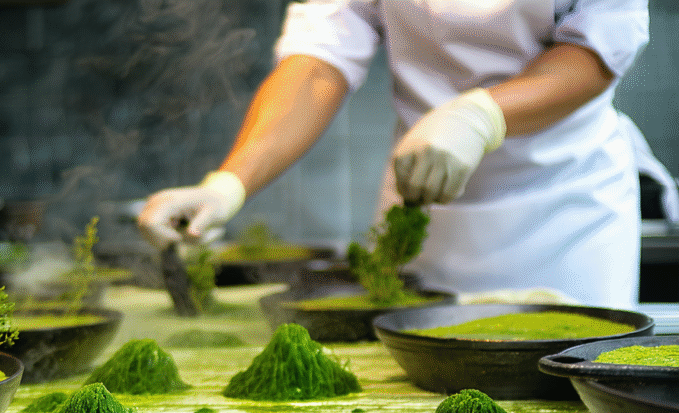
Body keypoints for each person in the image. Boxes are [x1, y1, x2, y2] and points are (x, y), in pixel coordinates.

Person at [138, 0, 658, 310]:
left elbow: (596, 48)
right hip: (420, 206)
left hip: (563, 210)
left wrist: (480, 117)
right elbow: (319, 60)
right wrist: (229, 184)